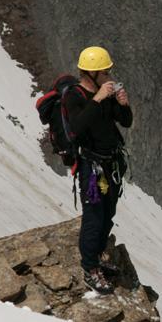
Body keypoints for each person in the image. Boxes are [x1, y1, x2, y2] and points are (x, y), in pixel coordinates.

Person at [64, 45, 132, 294]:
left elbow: (125, 122)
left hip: (110, 164)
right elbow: (76, 128)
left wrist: (123, 105)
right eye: (105, 72)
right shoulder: (74, 96)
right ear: (92, 74)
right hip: (91, 167)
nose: (109, 75)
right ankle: (90, 268)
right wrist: (97, 99)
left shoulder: (105, 93)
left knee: (107, 213)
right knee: (93, 217)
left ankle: (98, 258)